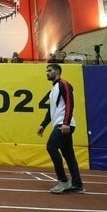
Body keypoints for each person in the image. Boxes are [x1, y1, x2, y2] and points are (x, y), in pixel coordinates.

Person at [37, 64, 84, 194]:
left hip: (64, 125)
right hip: (61, 124)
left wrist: (66, 123)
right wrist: (43, 125)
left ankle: (63, 180)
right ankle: (77, 184)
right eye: (46, 71)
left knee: (51, 147)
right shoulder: (53, 89)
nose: (47, 72)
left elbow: (70, 103)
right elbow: (51, 110)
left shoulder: (64, 84)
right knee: (69, 155)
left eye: (50, 70)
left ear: (57, 71)